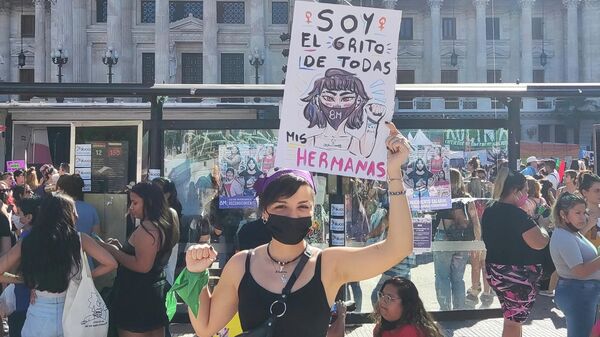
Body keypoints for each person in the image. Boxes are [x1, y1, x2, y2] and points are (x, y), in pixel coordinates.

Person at [184, 123, 413, 337]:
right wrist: (195, 274)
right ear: (264, 212)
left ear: (313, 212)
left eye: (303, 206)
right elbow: (205, 327)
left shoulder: (329, 265)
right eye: (281, 206)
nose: (292, 215)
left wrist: (394, 174)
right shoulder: (240, 265)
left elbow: (399, 248)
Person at [0, 194, 117, 337]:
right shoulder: (79, 239)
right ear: (67, 215)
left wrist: (23, 280)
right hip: (72, 312)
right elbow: (111, 263)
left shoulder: (28, 241)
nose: (77, 216)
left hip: (39, 315)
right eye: (74, 212)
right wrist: (84, 277)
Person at [98, 182, 180, 337]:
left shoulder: (148, 229)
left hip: (135, 296)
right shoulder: (166, 222)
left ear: (149, 202)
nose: (131, 208)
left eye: (135, 203)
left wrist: (114, 251)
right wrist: (123, 249)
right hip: (154, 293)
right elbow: (147, 256)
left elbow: (142, 266)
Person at [481, 168, 549, 337]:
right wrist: (544, 227)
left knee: (512, 319)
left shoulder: (490, 210)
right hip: (516, 274)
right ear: (515, 191)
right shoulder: (516, 214)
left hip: (497, 271)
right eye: (525, 190)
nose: (527, 194)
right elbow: (539, 242)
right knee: (513, 322)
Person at [301, 68, 386, 158]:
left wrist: (372, 120)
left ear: (358, 101)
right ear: (317, 100)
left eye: (346, 98)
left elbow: (365, 153)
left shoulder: (355, 143)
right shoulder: (308, 142)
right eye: (328, 98)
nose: (337, 104)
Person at [550, 192, 600, 337]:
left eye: (584, 212)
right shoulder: (564, 236)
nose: (583, 217)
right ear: (563, 214)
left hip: (582, 292)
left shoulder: (571, 233)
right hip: (578, 293)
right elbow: (580, 271)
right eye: (577, 213)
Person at [433, 168, 478, 311]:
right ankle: (459, 309)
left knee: (442, 276)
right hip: (463, 240)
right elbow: (475, 221)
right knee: (458, 278)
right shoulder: (466, 197)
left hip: (443, 238)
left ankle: (445, 310)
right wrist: (477, 241)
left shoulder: (441, 196)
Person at [367, 208, 416, 307]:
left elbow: (374, 233)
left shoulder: (394, 227)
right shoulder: (404, 226)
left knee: (376, 297)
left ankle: (386, 319)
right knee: (400, 298)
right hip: (403, 269)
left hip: (394, 269)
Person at [8, 197, 41, 337]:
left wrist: (20, 280)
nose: (17, 216)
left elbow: (12, 266)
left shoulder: (25, 239)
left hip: (23, 297)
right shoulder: (45, 236)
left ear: (28, 217)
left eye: (19, 213)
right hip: (41, 300)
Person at [372, 277, 444, 337]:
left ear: (406, 304)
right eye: (381, 295)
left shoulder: (410, 331)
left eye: (388, 298)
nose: (382, 301)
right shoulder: (381, 327)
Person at [152, 177, 183, 286]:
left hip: (169, 241)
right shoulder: (153, 204)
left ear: (168, 193)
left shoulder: (173, 208)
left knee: (168, 268)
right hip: (158, 240)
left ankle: (167, 293)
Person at [578, 172, 600, 247]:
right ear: (584, 192)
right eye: (597, 191)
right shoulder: (579, 215)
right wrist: (588, 226)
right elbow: (573, 241)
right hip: (591, 257)